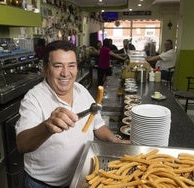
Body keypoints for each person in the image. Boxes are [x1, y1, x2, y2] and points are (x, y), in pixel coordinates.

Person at [15, 40, 129, 188]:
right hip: (43, 184)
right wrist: (46, 127)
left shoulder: (81, 90)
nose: (65, 73)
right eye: (58, 66)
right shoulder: (33, 99)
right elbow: (22, 144)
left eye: (71, 65)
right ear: (45, 69)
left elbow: (97, 125)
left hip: (80, 177)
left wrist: (114, 140)